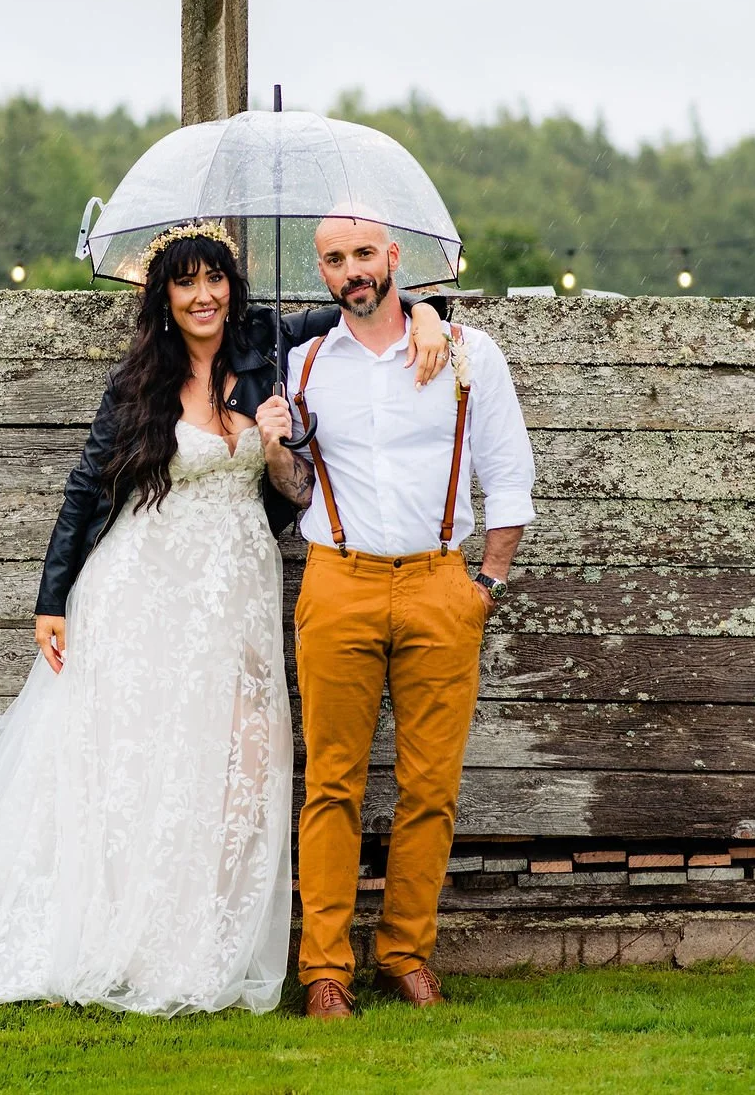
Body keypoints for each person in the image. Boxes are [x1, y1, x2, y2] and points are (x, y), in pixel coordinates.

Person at [0, 219, 447, 1015]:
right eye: (186, 282)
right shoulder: (141, 379)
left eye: (215, 279)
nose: (203, 295)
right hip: (141, 586)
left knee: (244, 758)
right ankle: (127, 932)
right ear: (165, 297)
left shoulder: (269, 345)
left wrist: (420, 313)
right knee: (140, 761)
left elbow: (361, 309)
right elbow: (83, 488)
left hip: (235, 586)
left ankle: (202, 934)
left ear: (231, 288)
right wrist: (51, 598)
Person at [266, 215, 536, 1020]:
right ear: (322, 271)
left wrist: (485, 584)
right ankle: (324, 969)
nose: (351, 270)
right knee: (332, 785)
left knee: (430, 786)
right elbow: (298, 490)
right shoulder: (304, 363)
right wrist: (279, 446)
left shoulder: (463, 352)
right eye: (334, 259)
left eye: (362, 254)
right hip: (338, 579)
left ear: (393, 258)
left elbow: (509, 473)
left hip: (438, 584)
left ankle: (406, 954)